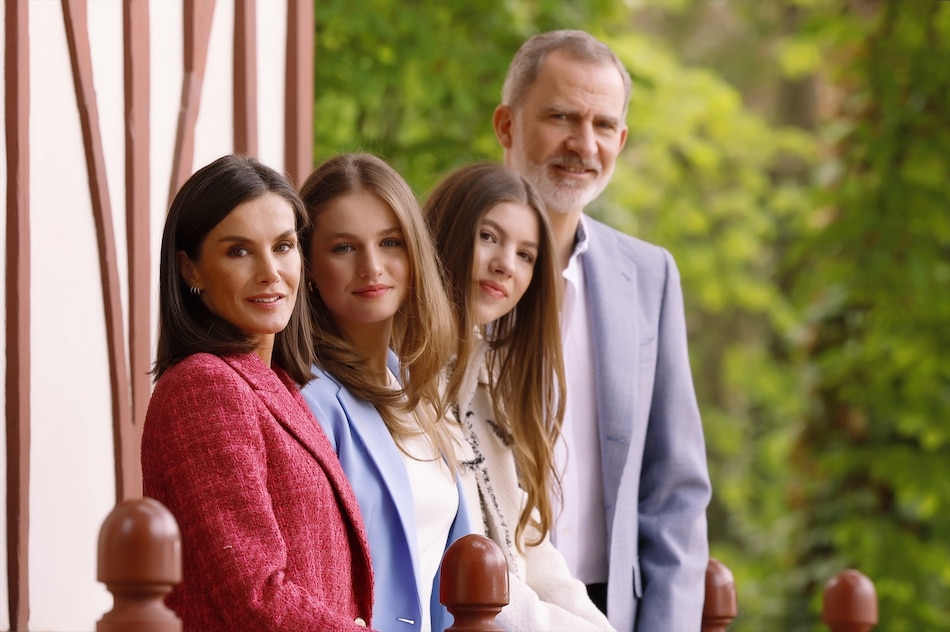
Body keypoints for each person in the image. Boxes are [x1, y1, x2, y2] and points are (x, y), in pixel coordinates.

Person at [492, 29, 712, 631]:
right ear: (507, 125)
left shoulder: (650, 275)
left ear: (622, 139)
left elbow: (674, 489)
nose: (583, 144)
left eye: (603, 125)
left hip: (610, 610)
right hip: (480, 606)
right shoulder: (442, 265)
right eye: (561, 117)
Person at [141, 154, 375, 630]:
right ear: (190, 270)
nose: (271, 271)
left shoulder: (278, 385)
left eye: (283, 246)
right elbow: (255, 593)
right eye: (239, 251)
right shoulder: (204, 386)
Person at [424, 161, 616, 631]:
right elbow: (466, 578)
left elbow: (532, 553)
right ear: (445, 233)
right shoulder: (405, 383)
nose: (505, 264)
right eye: (488, 237)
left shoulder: (487, 388)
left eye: (526, 254)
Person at [298, 153, 473, 632]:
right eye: (344, 248)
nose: (372, 267)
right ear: (308, 266)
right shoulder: (307, 401)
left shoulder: (415, 391)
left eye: (390, 242)